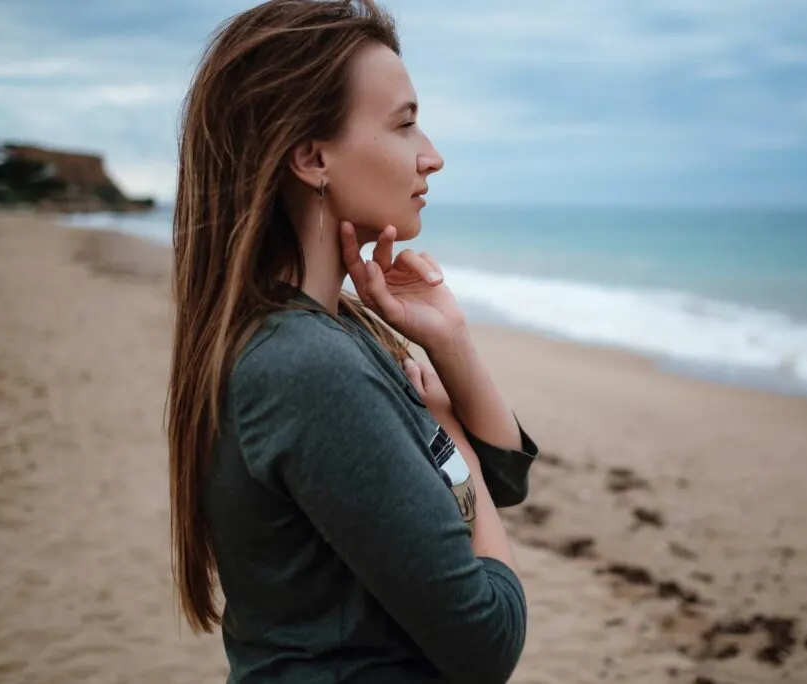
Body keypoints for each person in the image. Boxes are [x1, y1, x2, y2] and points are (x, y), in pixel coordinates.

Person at [165, 1, 538, 682]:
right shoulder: (304, 367)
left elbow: (502, 479)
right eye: (404, 124)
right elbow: (488, 641)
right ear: (311, 158)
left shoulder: (337, 329)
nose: (432, 155)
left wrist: (450, 344)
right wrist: (448, 431)